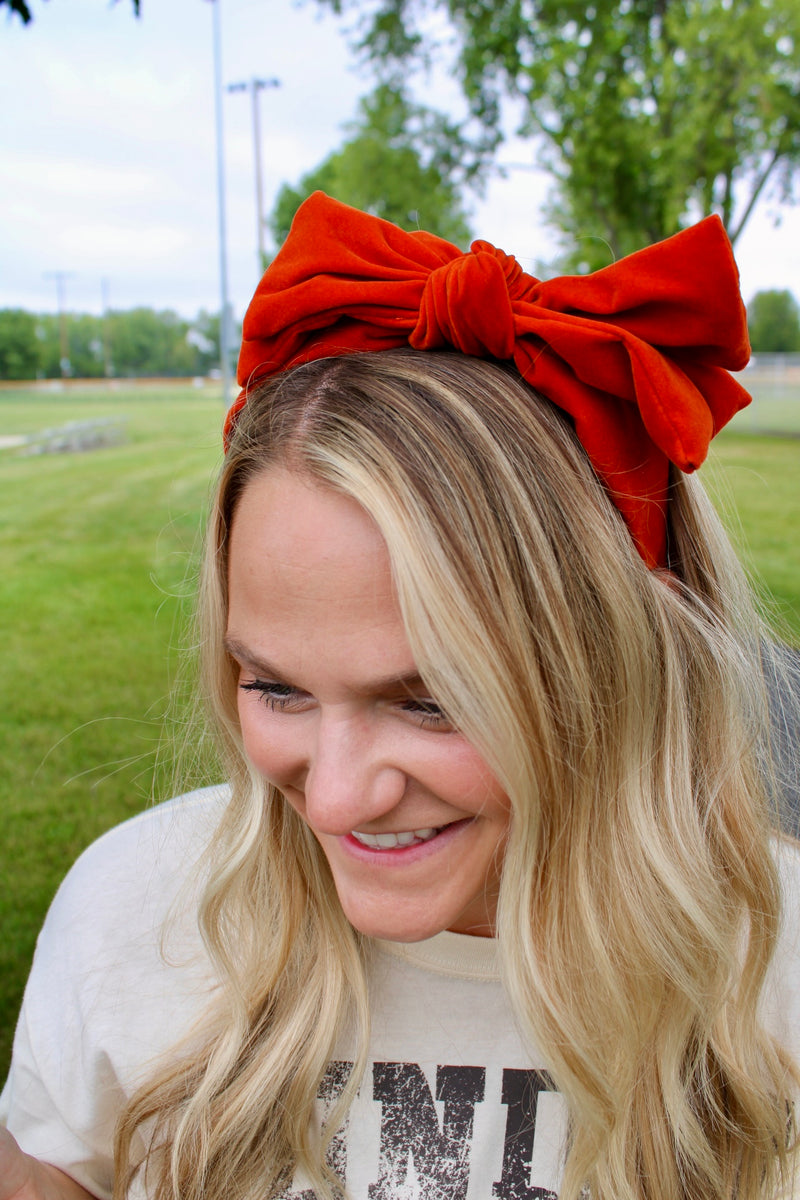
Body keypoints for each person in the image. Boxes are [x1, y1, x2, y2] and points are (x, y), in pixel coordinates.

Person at [2, 192, 799, 1200]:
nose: (333, 802)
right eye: (275, 688)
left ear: (626, 663)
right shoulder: (127, 917)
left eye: (430, 701)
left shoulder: (774, 971)